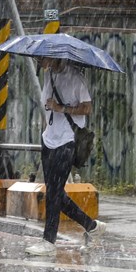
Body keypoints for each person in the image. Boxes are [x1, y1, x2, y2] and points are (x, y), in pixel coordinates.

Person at [25, 57, 106, 256]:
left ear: (55, 56)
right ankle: (92, 226)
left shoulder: (75, 77)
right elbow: (47, 106)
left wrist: (62, 108)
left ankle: (48, 241)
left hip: (67, 140)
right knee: (55, 192)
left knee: (54, 192)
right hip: (49, 139)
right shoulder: (48, 74)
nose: (38, 60)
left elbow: (87, 107)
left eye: (41, 58)